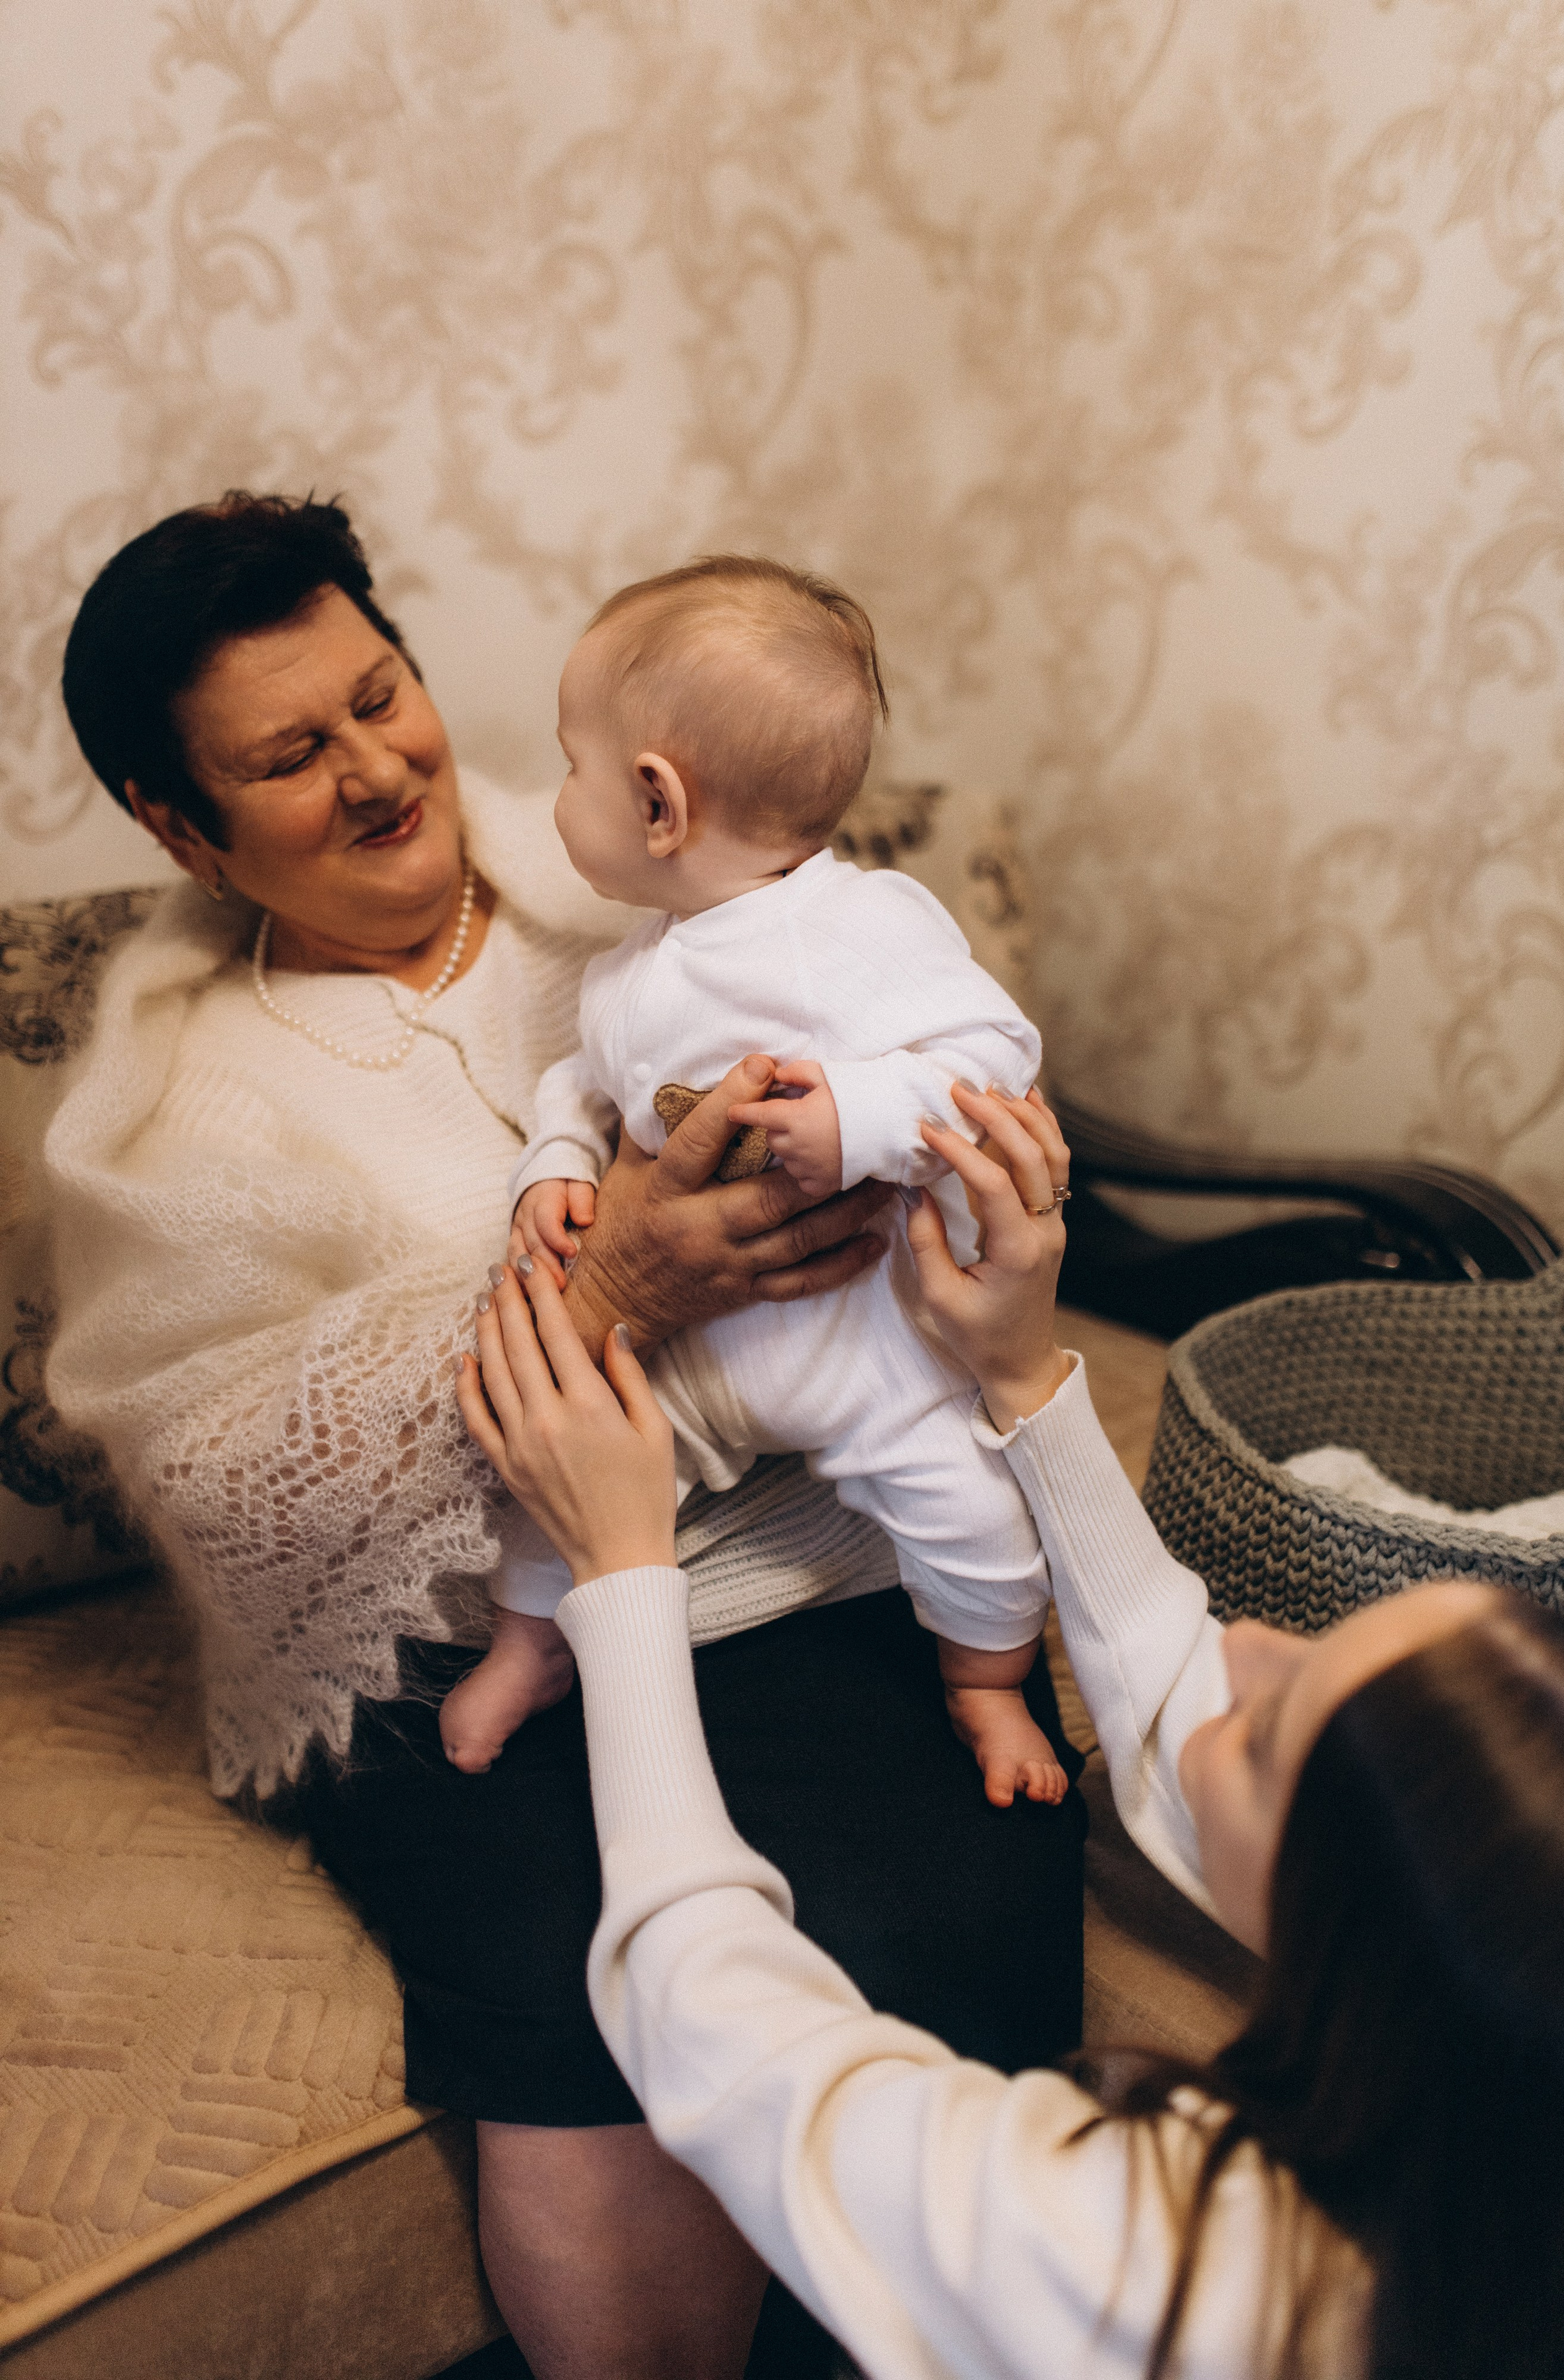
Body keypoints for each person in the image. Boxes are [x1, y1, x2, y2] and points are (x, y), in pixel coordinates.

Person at [43, 491, 1089, 2380]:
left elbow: (907, 1040)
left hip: (799, 1560)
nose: (379, 768)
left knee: (957, 1908)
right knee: (577, 1985)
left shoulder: (651, 876)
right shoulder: (176, 1108)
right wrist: (608, 1294)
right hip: (468, 1640)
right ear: (175, 825)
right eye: (293, 753)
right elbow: (212, 1478)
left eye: (384, 695)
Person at [461, 1080, 1564, 2380]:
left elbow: (724, 2035)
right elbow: (1178, 1691)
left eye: (1271, 1730)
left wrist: (616, 1568)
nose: (1246, 1648)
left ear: (1351, 1946)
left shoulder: (1144, 2257)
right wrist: (1020, 1368)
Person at [442, 556, 1066, 1812]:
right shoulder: (634, 966)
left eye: (570, 766)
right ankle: (529, 1646)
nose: (555, 795)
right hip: (695, 1353)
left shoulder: (861, 926)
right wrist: (552, 1168)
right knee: (558, 1473)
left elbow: (995, 1054)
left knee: (974, 1515)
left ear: (658, 801)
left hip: (865, 1345)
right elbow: (579, 1083)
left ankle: (986, 1687)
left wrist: (857, 1118)